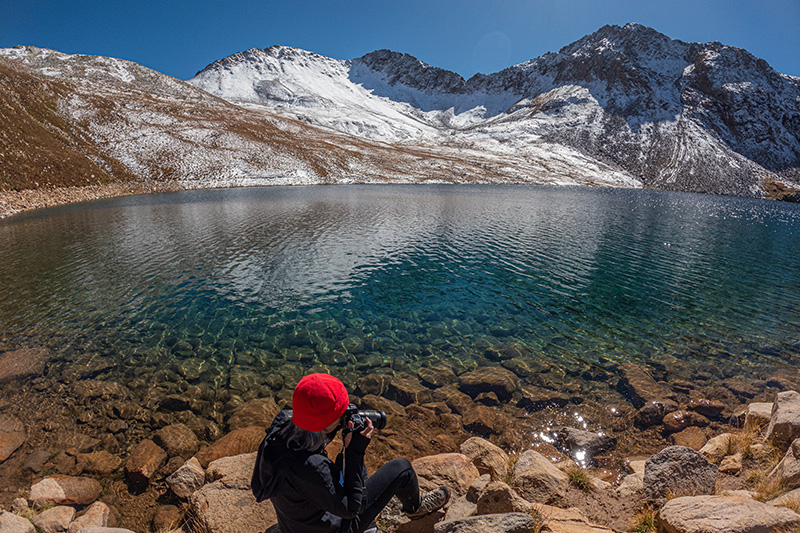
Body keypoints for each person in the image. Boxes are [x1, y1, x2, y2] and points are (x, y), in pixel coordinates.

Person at [251, 373, 450, 533]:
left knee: (350, 469)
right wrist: (355, 451)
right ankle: (415, 509)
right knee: (401, 468)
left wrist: (331, 429)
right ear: (325, 423)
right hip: (334, 528)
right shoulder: (312, 466)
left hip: (294, 524)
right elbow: (351, 509)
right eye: (341, 413)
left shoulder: (279, 428)